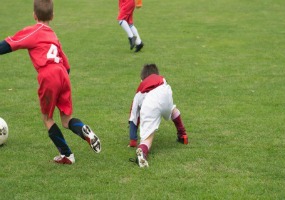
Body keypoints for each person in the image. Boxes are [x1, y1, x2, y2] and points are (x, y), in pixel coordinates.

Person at [0, 0, 101, 164]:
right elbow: (67, 66)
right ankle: (83, 130)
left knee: (47, 118)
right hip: (62, 74)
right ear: (52, 16)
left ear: (34, 15)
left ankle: (67, 155)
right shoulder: (53, 35)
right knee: (67, 120)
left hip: (48, 75)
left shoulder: (33, 31)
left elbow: (11, 43)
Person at [128, 64, 188, 167]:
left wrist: (133, 140)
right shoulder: (161, 79)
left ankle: (141, 151)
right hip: (165, 91)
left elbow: (134, 117)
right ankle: (183, 135)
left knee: (148, 138)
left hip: (150, 104)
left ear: (142, 79)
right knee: (173, 109)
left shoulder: (139, 92)